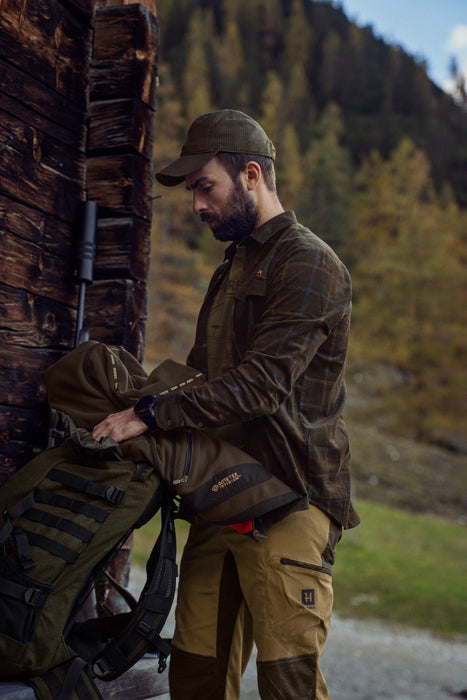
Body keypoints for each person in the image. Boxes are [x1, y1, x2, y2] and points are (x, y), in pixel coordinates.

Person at [92, 109, 359, 699]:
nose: (197, 205)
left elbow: (262, 384)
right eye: (191, 192)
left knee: (287, 686)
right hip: (222, 495)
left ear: (253, 176)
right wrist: (132, 402)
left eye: (204, 186)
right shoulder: (231, 267)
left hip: (292, 499)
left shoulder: (309, 263)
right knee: (195, 677)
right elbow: (201, 376)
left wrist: (151, 415)